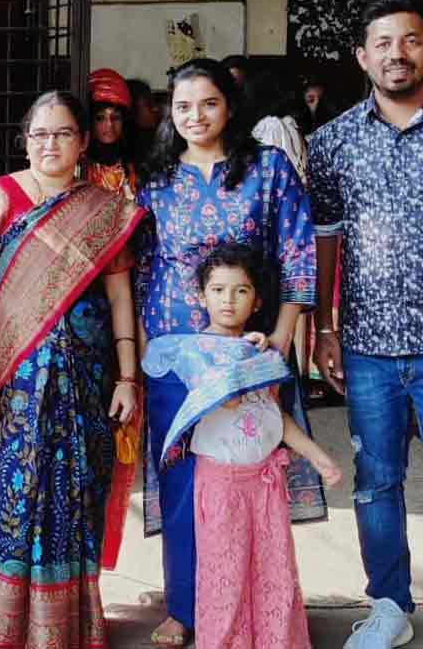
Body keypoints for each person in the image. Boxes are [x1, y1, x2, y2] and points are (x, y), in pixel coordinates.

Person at [134, 57, 321, 647]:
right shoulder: (156, 179)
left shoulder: (268, 170)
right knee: (185, 479)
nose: (195, 116)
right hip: (176, 354)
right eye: (183, 105)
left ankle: (253, 601)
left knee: (248, 477)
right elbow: (141, 268)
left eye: (208, 103)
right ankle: (187, 606)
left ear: (230, 107)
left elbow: (297, 253)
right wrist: (142, 354)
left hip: (249, 350)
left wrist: (283, 336)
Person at [0, 90, 143, 648]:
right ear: (25, 140)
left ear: (84, 142)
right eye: (39, 134)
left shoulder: (105, 209)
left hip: (88, 381)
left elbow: (119, 297)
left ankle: (68, 626)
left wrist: (128, 377)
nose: (50, 145)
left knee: (77, 493)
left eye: (62, 134)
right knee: (13, 495)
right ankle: (0, 624)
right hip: (15, 378)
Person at [144, 243, 342, 649]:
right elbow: (227, 397)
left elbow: (273, 416)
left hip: (264, 484)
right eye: (217, 291)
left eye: (240, 291)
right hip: (219, 487)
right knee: (225, 571)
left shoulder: (262, 352)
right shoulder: (193, 351)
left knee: (272, 566)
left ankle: (275, 639)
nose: (228, 300)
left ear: (257, 300)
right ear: (201, 298)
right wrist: (247, 358)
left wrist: (318, 457)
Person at [308, 0, 423, 649]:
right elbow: (326, 238)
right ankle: (389, 606)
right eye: (383, 42)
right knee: (377, 481)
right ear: (362, 56)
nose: (397, 53)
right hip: (370, 348)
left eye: (409, 39)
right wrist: (323, 328)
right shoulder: (334, 142)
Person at [85, 68, 140, 199]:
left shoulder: (133, 163)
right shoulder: (79, 164)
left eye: (115, 118)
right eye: (100, 118)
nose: (109, 125)